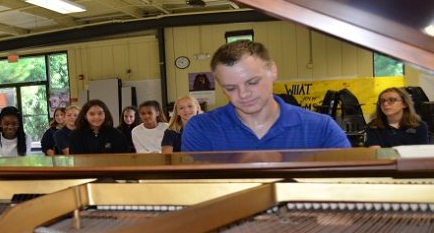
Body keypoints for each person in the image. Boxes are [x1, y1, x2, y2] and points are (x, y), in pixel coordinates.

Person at [182, 41, 350, 151]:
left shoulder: (321, 128)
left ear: (273, 71)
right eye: (231, 88)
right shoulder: (201, 129)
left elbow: (347, 191)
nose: (244, 94)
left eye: (253, 82)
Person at [365, 87, 429, 148]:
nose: (385, 104)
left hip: (411, 159)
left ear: (404, 104)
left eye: (391, 100)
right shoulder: (373, 126)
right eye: (382, 101)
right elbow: (376, 153)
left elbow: (422, 152)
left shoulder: (419, 126)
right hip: (385, 159)